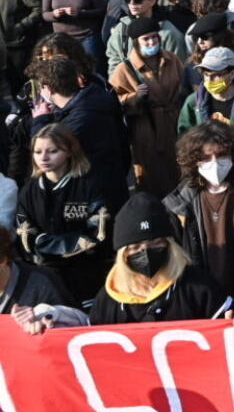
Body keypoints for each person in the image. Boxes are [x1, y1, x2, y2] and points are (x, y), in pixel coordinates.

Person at [88, 192, 233, 324]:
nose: (146, 252)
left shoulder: (200, 289)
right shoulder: (107, 301)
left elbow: (229, 334)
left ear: (170, 245)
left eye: (155, 243)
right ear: (123, 254)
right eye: (135, 247)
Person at [164, 122, 234, 294]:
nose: (214, 163)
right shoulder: (180, 201)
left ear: (233, 155)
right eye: (206, 158)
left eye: (221, 155)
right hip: (205, 296)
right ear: (194, 161)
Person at [14, 124, 110, 304]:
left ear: (69, 151)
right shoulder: (28, 191)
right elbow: (25, 238)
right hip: (46, 276)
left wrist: (47, 243)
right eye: (38, 152)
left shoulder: (89, 185)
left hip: (86, 275)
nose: (44, 157)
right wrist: (63, 243)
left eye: (52, 151)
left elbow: (99, 234)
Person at [28, 56, 128, 210]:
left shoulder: (81, 117)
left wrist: (40, 120)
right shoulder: (90, 100)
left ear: (49, 89)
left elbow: (47, 147)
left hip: (98, 194)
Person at [108, 16, 187, 196]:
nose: (151, 42)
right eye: (146, 39)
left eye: (154, 37)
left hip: (175, 122)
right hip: (147, 129)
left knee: (180, 168)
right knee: (153, 175)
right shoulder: (124, 69)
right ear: (136, 42)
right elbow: (114, 102)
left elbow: (184, 86)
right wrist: (134, 97)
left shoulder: (172, 60)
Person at [177, 46, 234, 170]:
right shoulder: (194, 102)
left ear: (232, 74)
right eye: (206, 75)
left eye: (216, 75)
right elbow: (185, 138)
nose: (209, 80)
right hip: (207, 169)